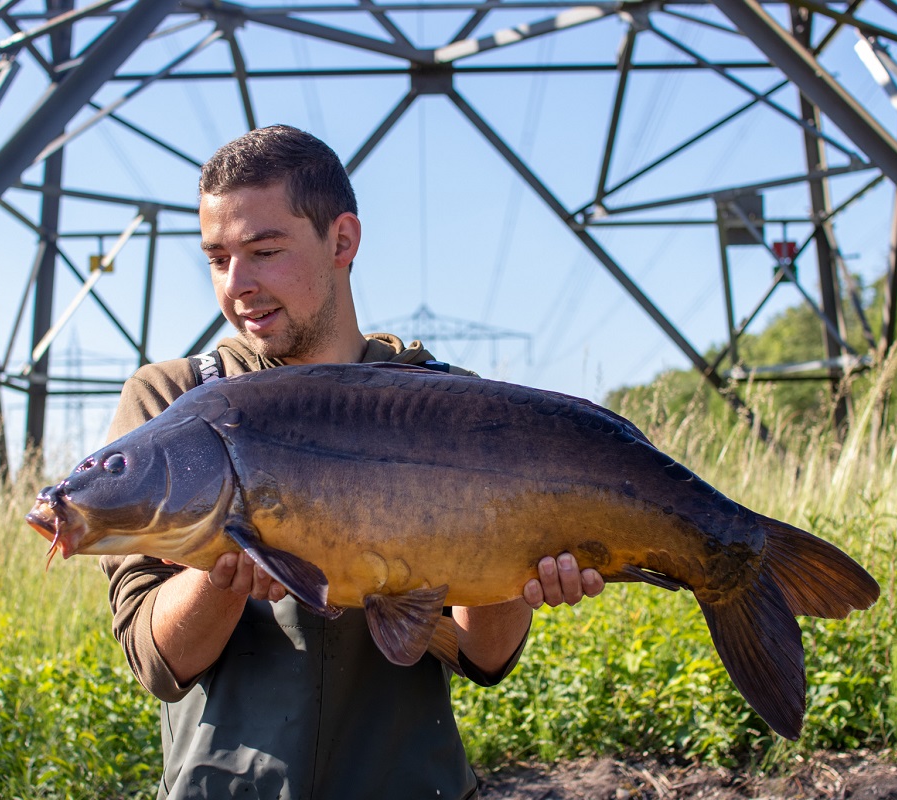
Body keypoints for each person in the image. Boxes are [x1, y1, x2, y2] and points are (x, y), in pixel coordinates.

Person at [100, 124, 605, 800]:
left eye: (265, 251)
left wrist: (523, 568)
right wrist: (222, 567)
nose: (237, 284)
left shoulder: (450, 406)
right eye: (217, 258)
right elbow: (157, 661)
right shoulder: (171, 401)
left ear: (342, 241)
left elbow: (484, 656)